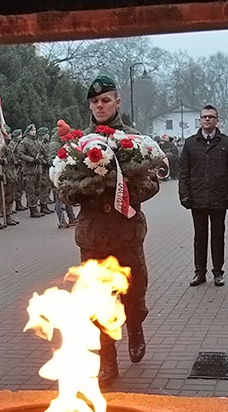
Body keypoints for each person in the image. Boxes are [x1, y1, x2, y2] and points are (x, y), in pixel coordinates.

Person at [59, 74, 160, 386]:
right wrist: (85, 188)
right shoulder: (77, 144)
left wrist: (124, 186)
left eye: (105, 100)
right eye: (94, 101)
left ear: (117, 102)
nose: (99, 105)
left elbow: (153, 182)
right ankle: (108, 360)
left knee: (134, 291)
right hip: (93, 236)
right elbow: (63, 185)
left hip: (126, 232)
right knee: (97, 299)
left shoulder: (134, 141)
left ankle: (135, 327)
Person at [178, 104, 228, 287]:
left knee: (218, 236)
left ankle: (218, 272)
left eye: (211, 117)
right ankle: (200, 272)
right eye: (204, 117)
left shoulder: (226, 143)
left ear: (217, 120)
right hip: (197, 198)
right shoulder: (190, 144)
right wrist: (184, 195)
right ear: (200, 119)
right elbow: (183, 172)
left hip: (219, 197)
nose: (207, 119)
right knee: (200, 236)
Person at [48, 122, 76, 228]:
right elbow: (50, 159)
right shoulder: (54, 144)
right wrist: (61, 161)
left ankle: (72, 218)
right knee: (59, 199)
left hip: (66, 173)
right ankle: (61, 220)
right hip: (57, 174)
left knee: (67, 197)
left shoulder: (65, 139)